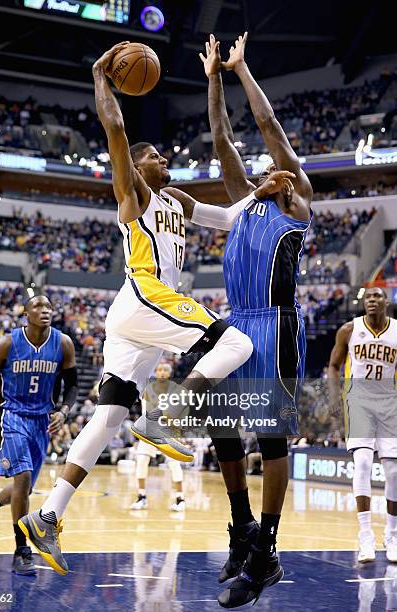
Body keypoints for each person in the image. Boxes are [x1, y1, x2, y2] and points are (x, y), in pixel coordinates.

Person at [18, 41, 291, 576]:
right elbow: (117, 133)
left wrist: (264, 188)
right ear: (138, 167)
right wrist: (102, 77)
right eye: (154, 156)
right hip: (145, 293)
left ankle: (48, 515)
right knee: (237, 341)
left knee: (112, 413)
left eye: (162, 157)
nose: (162, 159)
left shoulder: (178, 201)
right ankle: (168, 417)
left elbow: (230, 218)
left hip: (136, 317)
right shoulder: (135, 193)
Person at [198, 33, 313, 607]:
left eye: (279, 164)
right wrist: (214, 78)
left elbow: (270, 126)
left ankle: (266, 552)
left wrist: (242, 72)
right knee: (214, 416)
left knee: (270, 440)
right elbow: (222, 138)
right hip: (237, 324)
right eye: (268, 166)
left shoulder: (295, 200)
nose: (273, 167)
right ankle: (241, 529)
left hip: (276, 326)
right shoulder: (245, 200)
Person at [0, 295, 77, 575]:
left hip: (41, 420)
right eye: (38, 307)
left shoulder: (63, 343)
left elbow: (73, 385)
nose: (45, 311)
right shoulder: (7, 343)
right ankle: (21, 550)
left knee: (23, 490)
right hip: (10, 414)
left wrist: (64, 411)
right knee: (24, 477)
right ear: (26, 314)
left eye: (49, 307)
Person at [328, 287, 397, 563]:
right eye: (367, 297)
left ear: (386, 301)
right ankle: (365, 534)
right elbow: (333, 365)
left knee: (393, 472)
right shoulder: (348, 330)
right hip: (359, 402)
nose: (371, 300)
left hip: (389, 405)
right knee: (364, 464)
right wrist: (334, 397)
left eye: (377, 296)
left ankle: (392, 534)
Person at [130, 363, 186, 512]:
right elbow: (145, 412)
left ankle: (180, 499)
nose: (161, 372)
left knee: (174, 464)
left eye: (165, 370)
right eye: (159, 370)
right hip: (149, 429)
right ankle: (141, 497)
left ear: (169, 373)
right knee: (141, 462)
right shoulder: (148, 389)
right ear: (156, 372)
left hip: (168, 431)